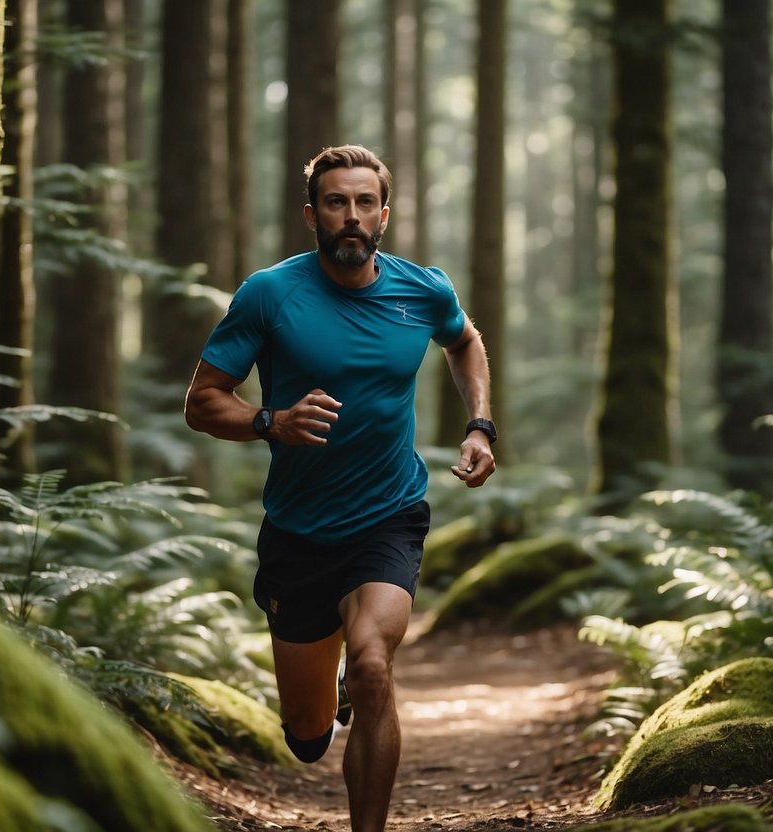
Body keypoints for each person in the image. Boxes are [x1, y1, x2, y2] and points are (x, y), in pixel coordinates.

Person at [184, 144, 496, 832]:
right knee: (305, 736)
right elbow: (202, 402)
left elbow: (464, 341)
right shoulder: (270, 294)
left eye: (363, 203)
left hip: (389, 514)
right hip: (297, 531)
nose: (350, 217)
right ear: (311, 215)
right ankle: (326, 697)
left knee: (375, 666)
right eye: (335, 203)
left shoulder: (423, 291)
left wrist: (479, 426)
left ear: (383, 214)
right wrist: (271, 421)